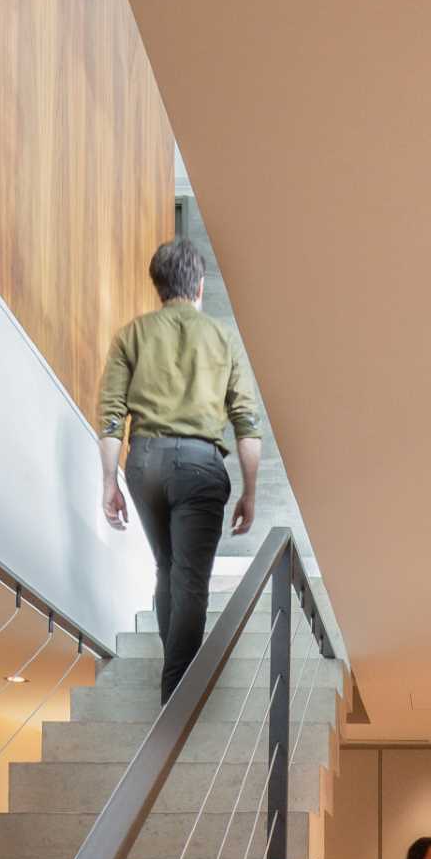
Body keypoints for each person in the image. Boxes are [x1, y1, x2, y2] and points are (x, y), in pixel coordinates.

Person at [97, 237, 264, 704]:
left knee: (167, 567)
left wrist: (109, 482)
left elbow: (111, 415)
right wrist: (251, 491)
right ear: (200, 285)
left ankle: (177, 677)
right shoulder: (222, 338)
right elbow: (246, 423)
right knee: (190, 578)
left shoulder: (131, 335)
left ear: (158, 284)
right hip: (199, 466)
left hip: (144, 463)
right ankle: (177, 694)